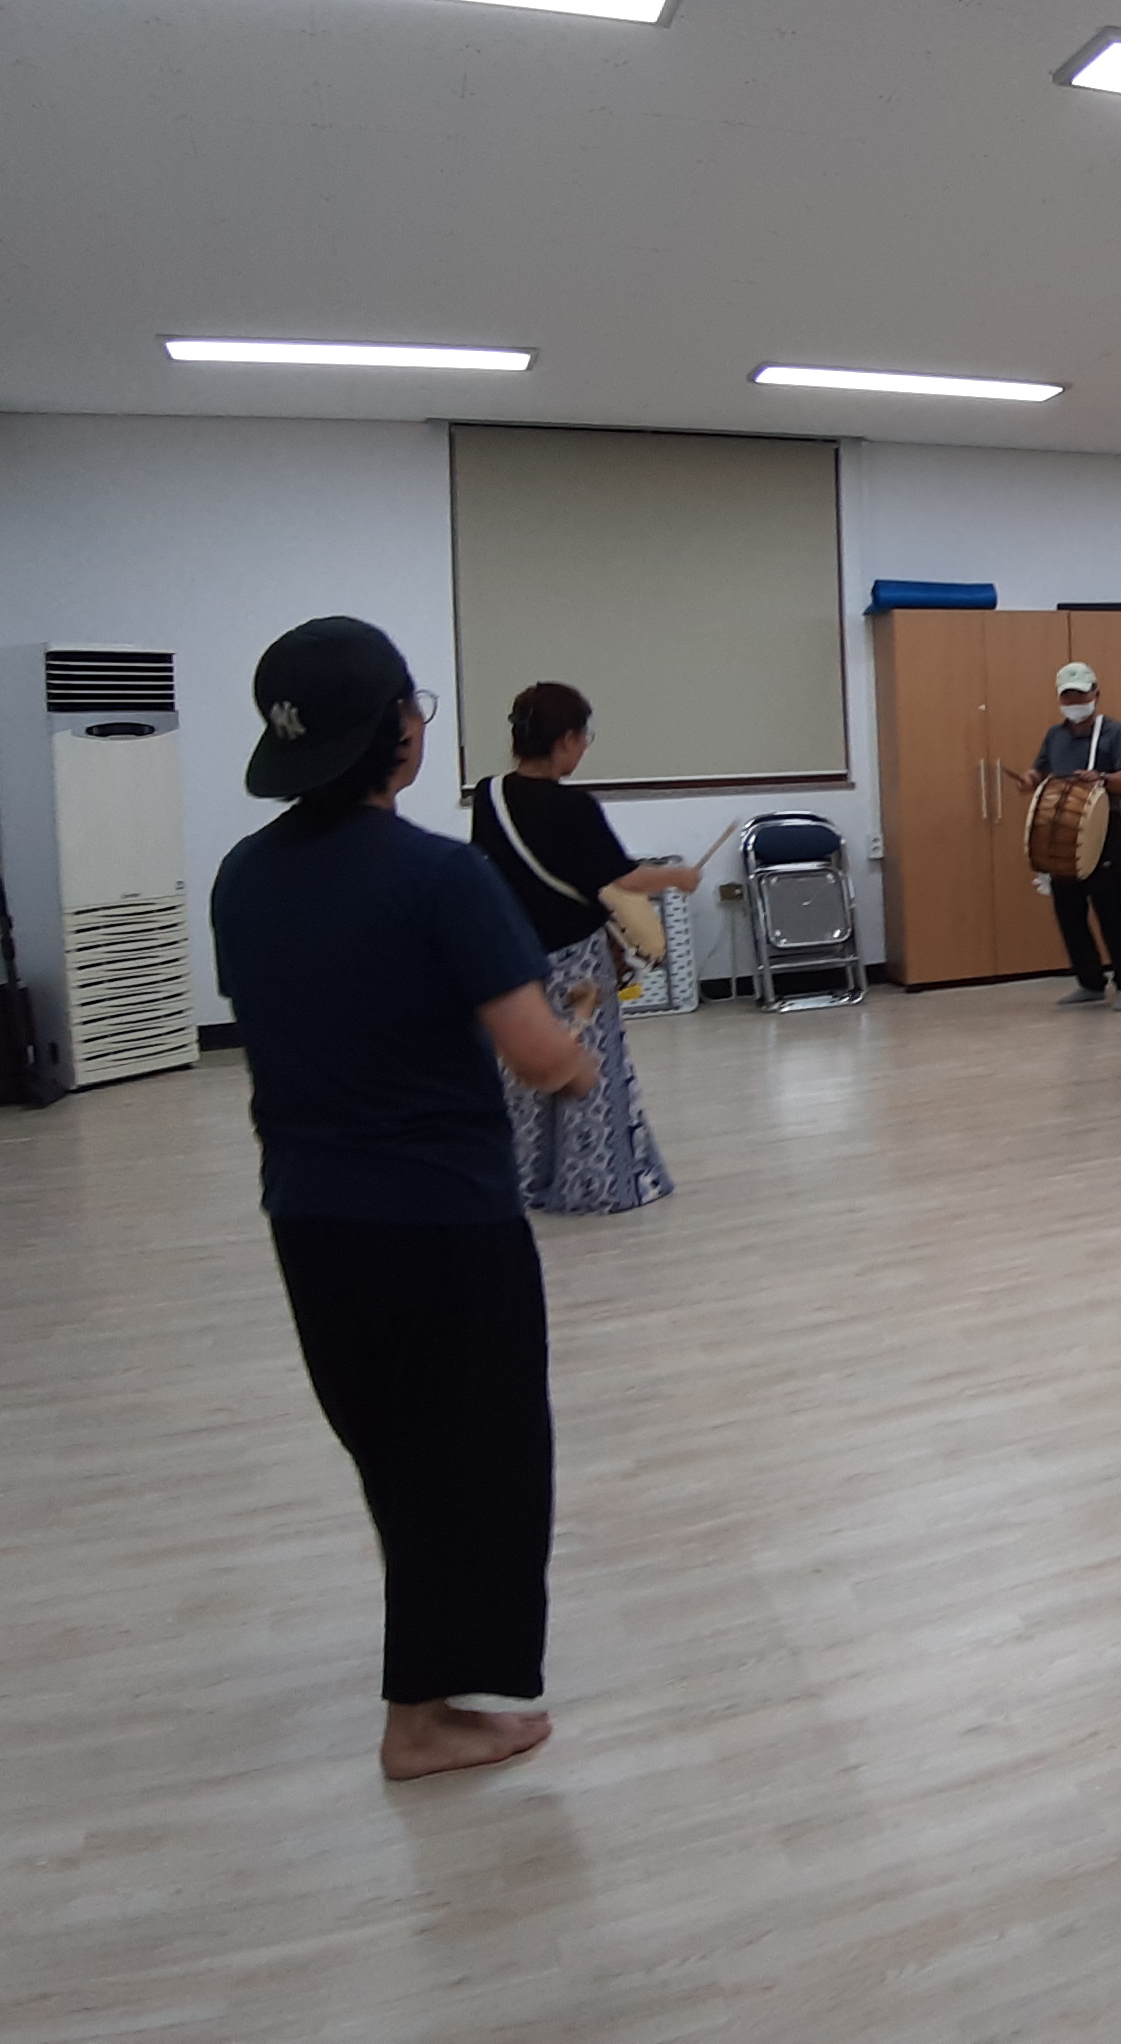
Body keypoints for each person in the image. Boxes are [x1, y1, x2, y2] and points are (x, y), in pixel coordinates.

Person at [209, 617, 599, 1782]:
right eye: (412, 703)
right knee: (477, 1461)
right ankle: (424, 1719)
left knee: (397, 1457)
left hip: (309, 1219)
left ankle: (423, 1698)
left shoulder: (242, 875)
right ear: (395, 733)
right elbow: (534, 1055)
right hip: (442, 1221)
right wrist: (577, 1055)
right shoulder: (439, 874)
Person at [469, 682, 702, 1215]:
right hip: (577, 962)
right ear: (567, 739)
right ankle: (593, 1184)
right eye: (584, 737)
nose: (585, 748)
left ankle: (526, 1179)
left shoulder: (489, 796)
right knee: (586, 1068)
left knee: (525, 1070)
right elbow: (622, 878)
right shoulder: (574, 807)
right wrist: (679, 876)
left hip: (517, 959)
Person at [1009, 660, 1121, 1011]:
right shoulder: (1055, 735)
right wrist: (1029, 779)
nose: (1075, 700)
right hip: (1060, 832)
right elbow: (1040, 770)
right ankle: (1090, 981)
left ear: (1096, 693)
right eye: (1068, 695)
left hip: (1104, 830)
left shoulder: (1115, 732)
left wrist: (1101, 777)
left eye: (1081, 693)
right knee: (1068, 911)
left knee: (1111, 910)